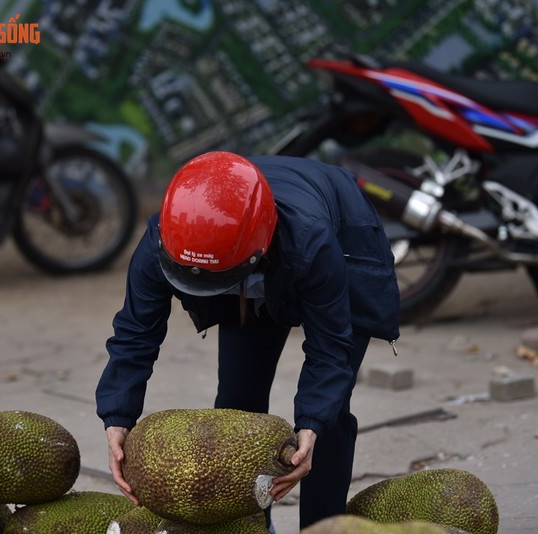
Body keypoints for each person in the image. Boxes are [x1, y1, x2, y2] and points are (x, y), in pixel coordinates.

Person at [95, 151, 400, 530]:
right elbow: (135, 334)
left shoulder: (311, 243)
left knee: (328, 418)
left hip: (338, 236)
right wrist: (117, 417)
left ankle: (324, 527)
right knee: (238, 404)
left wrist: (312, 424)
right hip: (242, 258)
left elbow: (330, 348)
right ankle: (250, 526)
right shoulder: (164, 240)